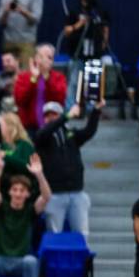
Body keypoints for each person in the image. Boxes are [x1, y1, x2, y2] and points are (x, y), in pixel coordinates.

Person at [35, 100, 102, 235]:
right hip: (54, 193)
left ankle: (83, 256)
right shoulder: (42, 136)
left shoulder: (70, 133)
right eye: (47, 115)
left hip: (76, 191)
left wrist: (96, 110)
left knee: (81, 234)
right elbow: (44, 134)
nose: (50, 118)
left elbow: (88, 132)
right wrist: (66, 117)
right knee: (54, 233)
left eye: (54, 115)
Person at [0, 0, 43, 67]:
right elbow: (0, 22)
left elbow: (36, 19)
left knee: (26, 75)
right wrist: (6, 11)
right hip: (8, 41)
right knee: (8, 74)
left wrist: (22, 11)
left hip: (26, 43)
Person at [13, 44, 67, 132]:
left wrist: (47, 79)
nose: (45, 60)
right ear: (35, 58)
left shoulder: (59, 78)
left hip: (51, 127)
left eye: (49, 57)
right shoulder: (23, 77)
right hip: (28, 127)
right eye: (41, 57)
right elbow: (20, 100)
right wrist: (33, 79)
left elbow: (59, 101)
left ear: (53, 61)